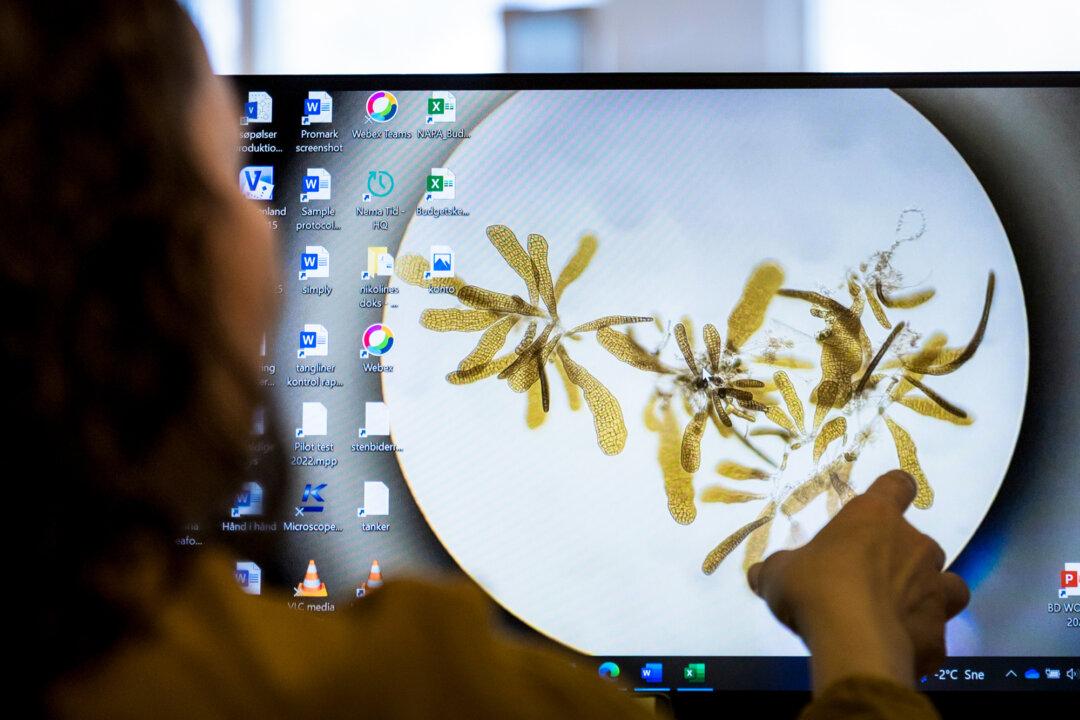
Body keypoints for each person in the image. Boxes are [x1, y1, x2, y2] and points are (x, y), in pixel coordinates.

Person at [1, 1, 969, 717]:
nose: (267, 219)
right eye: (229, 173)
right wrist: (859, 635)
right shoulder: (385, 689)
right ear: (130, 260)